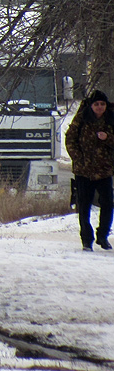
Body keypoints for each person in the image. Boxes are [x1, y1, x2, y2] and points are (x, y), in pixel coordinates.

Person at [65, 88, 114, 251]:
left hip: (104, 170)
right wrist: (78, 158)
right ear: (91, 106)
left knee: (108, 204)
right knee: (84, 205)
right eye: (96, 104)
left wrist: (108, 138)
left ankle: (103, 236)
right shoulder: (82, 119)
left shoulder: (111, 119)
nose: (99, 107)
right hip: (83, 171)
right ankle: (86, 239)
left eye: (102, 104)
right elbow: (70, 139)